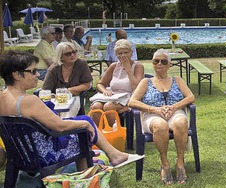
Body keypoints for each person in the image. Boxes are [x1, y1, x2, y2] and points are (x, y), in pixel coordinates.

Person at [0, 51, 143, 171]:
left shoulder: (2, 96)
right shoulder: (28, 101)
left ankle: (113, 155)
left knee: (83, 122)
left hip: (18, 153)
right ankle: (88, 178)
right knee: (84, 129)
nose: (38, 75)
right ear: (17, 75)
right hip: (41, 155)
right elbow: (59, 126)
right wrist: (85, 125)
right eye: (33, 71)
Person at [128, 49, 195, 185]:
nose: (159, 64)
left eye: (163, 61)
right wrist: (154, 109)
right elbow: (132, 101)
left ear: (169, 65)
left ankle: (180, 163)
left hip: (174, 113)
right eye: (156, 61)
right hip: (152, 115)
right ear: (152, 63)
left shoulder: (177, 80)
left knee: (181, 122)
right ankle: (165, 164)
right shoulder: (146, 82)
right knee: (160, 125)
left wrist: (174, 107)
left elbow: (191, 97)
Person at [90, 39, 144, 122]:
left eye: (126, 53)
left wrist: (129, 70)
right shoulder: (114, 66)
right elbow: (100, 84)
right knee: (96, 107)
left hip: (129, 97)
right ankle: (100, 133)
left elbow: (137, 88)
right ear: (116, 55)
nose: (123, 56)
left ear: (131, 53)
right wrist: (104, 90)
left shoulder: (138, 66)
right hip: (113, 96)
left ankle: (114, 133)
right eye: (120, 53)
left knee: (108, 107)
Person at [42, 42, 93, 118]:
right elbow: (45, 90)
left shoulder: (81, 64)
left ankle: (65, 127)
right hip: (56, 99)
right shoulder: (53, 69)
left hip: (74, 97)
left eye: (74, 52)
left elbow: (87, 84)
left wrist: (69, 91)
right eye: (68, 54)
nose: (72, 55)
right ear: (61, 56)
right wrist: (55, 96)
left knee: (67, 112)